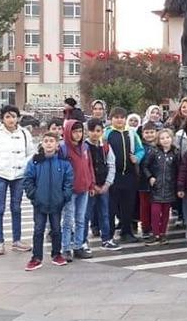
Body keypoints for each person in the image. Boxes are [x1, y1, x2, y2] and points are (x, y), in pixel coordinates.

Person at [0, 105, 37, 255]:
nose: (11, 120)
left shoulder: (24, 133)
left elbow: (32, 153)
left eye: (14, 116)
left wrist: (24, 164)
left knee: (16, 208)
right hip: (0, 175)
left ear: (18, 118)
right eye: (7, 117)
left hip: (18, 176)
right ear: (2, 118)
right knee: (0, 208)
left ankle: (16, 241)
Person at [22, 132, 73, 271]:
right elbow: (27, 180)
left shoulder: (63, 163)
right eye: (46, 141)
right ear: (42, 144)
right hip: (40, 203)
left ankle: (56, 254)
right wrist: (33, 195)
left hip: (57, 203)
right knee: (38, 230)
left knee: (56, 229)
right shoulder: (35, 161)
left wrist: (64, 197)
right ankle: (36, 257)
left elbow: (68, 182)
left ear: (57, 145)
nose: (49, 143)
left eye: (52, 141)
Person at [104, 107, 146, 243]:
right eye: (116, 117)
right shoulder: (106, 134)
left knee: (128, 206)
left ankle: (127, 232)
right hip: (112, 177)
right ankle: (109, 234)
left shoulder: (132, 134)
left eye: (122, 117)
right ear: (111, 119)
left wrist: (137, 158)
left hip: (129, 175)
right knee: (111, 207)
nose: (119, 120)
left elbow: (141, 150)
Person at [59, 120, 95, 261]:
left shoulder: (85, 147)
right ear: (68, 132)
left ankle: (78, 246)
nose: (78, 134)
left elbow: (89, 166)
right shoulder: (63, 148)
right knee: (68, 220)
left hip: (84, 188)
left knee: (81, 219)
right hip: (70, 190)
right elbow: (60, 169)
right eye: (74, 131)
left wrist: (91, 184)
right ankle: (66, 248)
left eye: (80, 131)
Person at [84, 118, 120, 251]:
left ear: (102, 132)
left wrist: (107, 184)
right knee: (86, 214)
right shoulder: (84, 147)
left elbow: (112, 164)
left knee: (104, 213)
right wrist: (91, 185)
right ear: (87, 131)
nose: (95, 133)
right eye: (92, 130)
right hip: (90, 187)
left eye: (98, 131)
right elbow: (84, 169)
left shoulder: (105, 146)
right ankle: (83, 241)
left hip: (104, 185)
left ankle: (107, 239)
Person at [141, 128, 180, 245]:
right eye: (162, 138)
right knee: (155, 211)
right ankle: (155, 233)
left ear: (171, 139)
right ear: (159, 140)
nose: (165, 140)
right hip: (156, 187)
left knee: (166, 212)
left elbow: (178, 170)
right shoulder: (154, 152)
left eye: (167, 137)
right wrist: (150, 177)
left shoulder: (175, 153)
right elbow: (145, 166)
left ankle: (163, 233)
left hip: (169, 187)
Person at [137, 123, 159, 238]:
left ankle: (154, 225)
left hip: (157, 181)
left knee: (155, 205)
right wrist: (148, 176)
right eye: (147, 132)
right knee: (145, 206)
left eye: (152, 132)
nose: (149, 135)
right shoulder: (141, 147)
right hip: (144, 181)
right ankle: (145, 228)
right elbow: (141, 165)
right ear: (142, 133)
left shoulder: (158, 146)